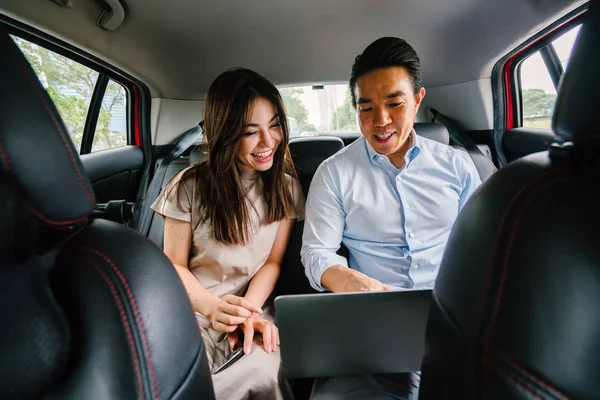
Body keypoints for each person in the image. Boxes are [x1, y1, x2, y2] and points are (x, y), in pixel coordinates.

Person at [301, 37, 482, 399]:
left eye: (394, 103)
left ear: (417, 100)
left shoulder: (457, 166)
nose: (380, 122)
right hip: (372, 329)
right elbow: (316, 253)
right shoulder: (334, 173)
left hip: (453, 322)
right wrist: (355, 283)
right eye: (366, 107)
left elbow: (483, 247)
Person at [152, 68, 304, 400]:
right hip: (194, 307)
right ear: (226, 133)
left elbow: (272, 263)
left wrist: (245, 312)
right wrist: (212, 309)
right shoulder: (188, 186)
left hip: (254, 307)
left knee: (265, 372)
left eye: (275, 125)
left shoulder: (287, 188)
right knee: (179, 380)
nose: (268, 142)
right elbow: (174, 265)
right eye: (251, 132)